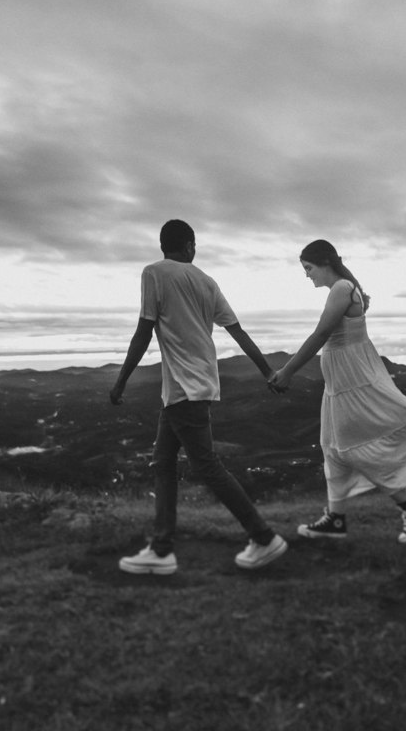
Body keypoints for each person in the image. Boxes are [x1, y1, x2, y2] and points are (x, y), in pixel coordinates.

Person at [110, 219, 288, 575]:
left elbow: (143, 331)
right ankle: (162, 549)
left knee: (206, 465)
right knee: (163, 463)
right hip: (194, 386)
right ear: (188, 245)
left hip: (183, 388)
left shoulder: (154, 273)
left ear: (163, 244)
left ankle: (263, 537)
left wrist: (121, 380)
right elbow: (237, 332)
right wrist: (266, 370)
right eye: (195, 244)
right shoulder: (206, 282)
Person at [268, 240, 406, 544]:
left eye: (308, 268)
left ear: (324, 263)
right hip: (339, 385)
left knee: (352, 449)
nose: (307, 275)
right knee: (332, 448)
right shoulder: (342, 288)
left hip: (353, 383)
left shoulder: (341, 288)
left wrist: (287, 371)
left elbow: (322, 333)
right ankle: (336, 518)